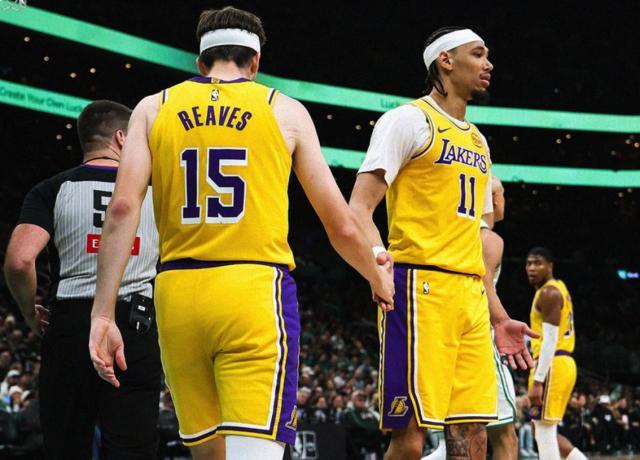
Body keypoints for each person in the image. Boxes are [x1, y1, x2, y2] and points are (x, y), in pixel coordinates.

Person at [87, 7, 393, 460]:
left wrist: (103, 313)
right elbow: (342, 225)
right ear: (255, 62)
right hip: (253, 292)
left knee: (209, 454)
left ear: (200, 63)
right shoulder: (283, 109)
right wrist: (375, 273)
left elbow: (123, 208)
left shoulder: (153, 107)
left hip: (177, 294)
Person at [349, 26, 536, 459]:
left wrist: (498, 316)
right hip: (420, 289)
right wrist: (377, 264)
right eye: (478, 54)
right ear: (445, 60)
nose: (489, 64)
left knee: (474, 436)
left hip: (471, 297)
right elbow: (359, 208)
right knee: (410, 441)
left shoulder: (478, 141)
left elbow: (476, 242)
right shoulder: (408, 120)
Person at [4, 100, 162, 459]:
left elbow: (19, 260)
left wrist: (30, 312)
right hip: (134, 325)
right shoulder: (155, 193)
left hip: (70, 324)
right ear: (121, 138)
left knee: (66, 446)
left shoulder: (51, 189)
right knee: (132, 450)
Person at [422, 176, 518, 460]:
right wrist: (502, 321)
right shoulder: (489, 238)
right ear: (495, 199)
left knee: (453, 442)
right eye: (503, 194)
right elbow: (484, 286)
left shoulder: (452, 233)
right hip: (478, 339)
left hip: (442, 336)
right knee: (505, 436)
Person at [526, 247, 588, 459]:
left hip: (552, 363)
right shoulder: (559, 288)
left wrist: (538, 380)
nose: (532, 268)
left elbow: (550, 341)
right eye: (529, 263)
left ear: (550, 266)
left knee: (543, 431)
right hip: (561, 362)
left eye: (538, 263)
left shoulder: (548, 293)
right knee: (542, 428)